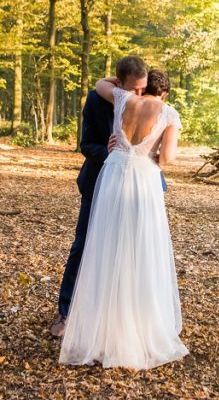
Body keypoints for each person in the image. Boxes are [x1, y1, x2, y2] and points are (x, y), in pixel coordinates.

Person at [58, 69, 188, 369]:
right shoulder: (168, 112)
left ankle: (98, 328)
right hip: (142, 181)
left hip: (113, 176)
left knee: (104, 245)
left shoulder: (122, 97)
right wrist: (155, 155)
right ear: (164, 92)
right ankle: (136, 326)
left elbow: (98, 83)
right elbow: (167, 158)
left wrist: (120, 83)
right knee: (140, 250)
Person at [51, 56, 149, 337]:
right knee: (83, 245)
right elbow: (86, 144)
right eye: (134, 90)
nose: (139, 97)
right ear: (118, 84)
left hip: (135, 188)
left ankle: (126, 317)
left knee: (132, 250)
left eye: (143, 90)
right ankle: (66, 312)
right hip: (97, 184)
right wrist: (109, 153)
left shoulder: (148, 101)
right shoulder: (96, 100)